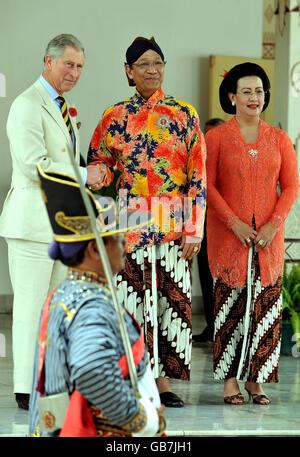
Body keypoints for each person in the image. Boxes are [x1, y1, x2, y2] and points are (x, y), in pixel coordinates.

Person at [87, 36, 207, 407]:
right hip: (130, 225)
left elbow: (198, 176)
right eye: (144, 64)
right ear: (129, 71)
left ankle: (163, 383)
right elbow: (100, 169)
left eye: (158, 62)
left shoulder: (183, 114)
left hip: (173, 225)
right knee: (129, 305)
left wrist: (194, 228)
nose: (153, 69)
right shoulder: (113, 116)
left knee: (169, 306)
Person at [0, 34, 102, 410]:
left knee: (57, 308)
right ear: (48, 61)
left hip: (61, 226)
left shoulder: (62, 106)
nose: (74, 72)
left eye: (79, 66)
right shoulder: (27, 104)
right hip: (31, 225)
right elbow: (33, 164)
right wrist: (84, 174)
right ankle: (26, 388)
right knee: (30, 307)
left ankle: (51, 379)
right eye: (68, 64)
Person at [29, 165, 165, 437]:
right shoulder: (92, 304)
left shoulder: (66, 293)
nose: (125, 245)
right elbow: (92, 370)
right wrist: (142, 419)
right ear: (94, 249)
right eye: (117, 239)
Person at [205, 62, 299, 404]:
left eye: (259, 91)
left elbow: (291, 186)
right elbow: (208, 187)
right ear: (231, 97)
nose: (253, 97)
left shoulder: (279, 138)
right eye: (246, 91)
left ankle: (256, 381)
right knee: (230, 311)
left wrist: (274, 224)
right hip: (229, 238)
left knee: (265, 310)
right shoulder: (215, 138)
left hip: (268, 242)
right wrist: (234, 222)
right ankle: (230, 382)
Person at [193, 118, 224, 344]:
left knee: (222, 279)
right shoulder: (199, 160)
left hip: (224, 227)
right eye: (207, 135)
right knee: (205, 275)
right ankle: (211, 325)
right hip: (203, 225)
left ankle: (224, 326)